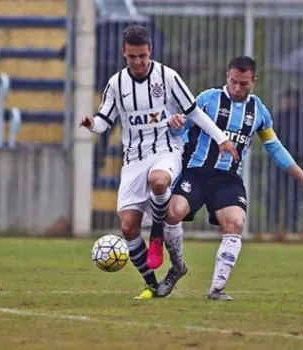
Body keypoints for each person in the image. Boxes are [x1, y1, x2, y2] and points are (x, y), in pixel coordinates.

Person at [79, 25, 239, 300]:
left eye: (142, 55)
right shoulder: (116, 84)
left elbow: (194, 112)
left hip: (166, 150)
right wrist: (91, 124)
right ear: (123, 54)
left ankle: (156, 235)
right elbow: (104, 122)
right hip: (133, 159)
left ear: (150, 51)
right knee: (128, 226)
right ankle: (153, 285)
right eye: (132, 57)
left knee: (159, 181)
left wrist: (222, 139)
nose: (138, 62)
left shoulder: (168, 77)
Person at [156, 56, 303, 300]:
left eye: (243, 84)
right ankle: (177, 267)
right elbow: (179, 130)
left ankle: (216, 289)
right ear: (227, 76)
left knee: (235, 222)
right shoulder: (207, 99)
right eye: (233, 82)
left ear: (254, 81)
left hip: (227, 178)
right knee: (173, 211)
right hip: (196, 172)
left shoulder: (259, 112)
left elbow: (275, 147)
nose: (237, 88)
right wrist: (176, 122)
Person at [267, 87, 303, 232]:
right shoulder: (276, 117)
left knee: (295, 197)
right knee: (274, 195)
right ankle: (272, 226)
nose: (287, 101)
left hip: (298, 161)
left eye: (290, 98)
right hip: (277, 163)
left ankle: (292, 226)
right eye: (285, 98)